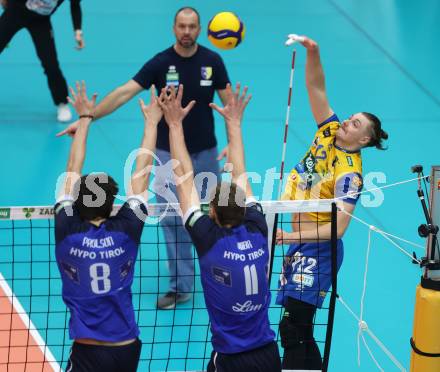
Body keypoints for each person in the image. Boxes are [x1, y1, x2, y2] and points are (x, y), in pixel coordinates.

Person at [57, 6, 231, 310]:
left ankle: (225, 275)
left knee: (217, 215)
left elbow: (230, 104)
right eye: (182, 26)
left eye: (192, 26)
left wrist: (232, 139)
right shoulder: (161, 63)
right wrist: (88, 118)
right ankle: (182, 285)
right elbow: (124, 93)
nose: (187, 31)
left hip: (205, 153)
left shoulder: (212, 62)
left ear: (200, 29)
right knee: (172, 220)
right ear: (174, 28)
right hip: (166, 154)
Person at [275, 35, 388, 370]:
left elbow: (338, 230)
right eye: (349, 117)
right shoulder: (329, 130)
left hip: (317, 250)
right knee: (298, 329)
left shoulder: (349, 175)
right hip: (300, 243)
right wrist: (314, 51)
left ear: (364, 139)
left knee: (293, 328)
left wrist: (290, 238)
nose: (345, 122)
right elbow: (317, 89)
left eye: (354, 123)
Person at [157, 82, 281, 371]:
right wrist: (234, 123)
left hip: (232, 358)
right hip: (268, 353)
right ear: (244, 210)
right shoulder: (257, 228)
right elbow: (241, 174)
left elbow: (184, 179)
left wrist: (174, 125)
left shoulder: (208, 238)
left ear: (211, 211)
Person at [54, 81, 161, 371]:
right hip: (126, 347)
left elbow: (72, 170)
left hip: (89, 350)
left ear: (78, 201)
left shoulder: (67, 230)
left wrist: (86, 118)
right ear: (113, 202)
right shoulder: (126, 229)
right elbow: (141, 176)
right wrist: (152, 123)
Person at [0, 0, 85, 122]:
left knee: (51, 64)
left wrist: (78, 31)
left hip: (40, 22)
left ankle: (62, 103)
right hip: (16, 11)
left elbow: (75, 5)